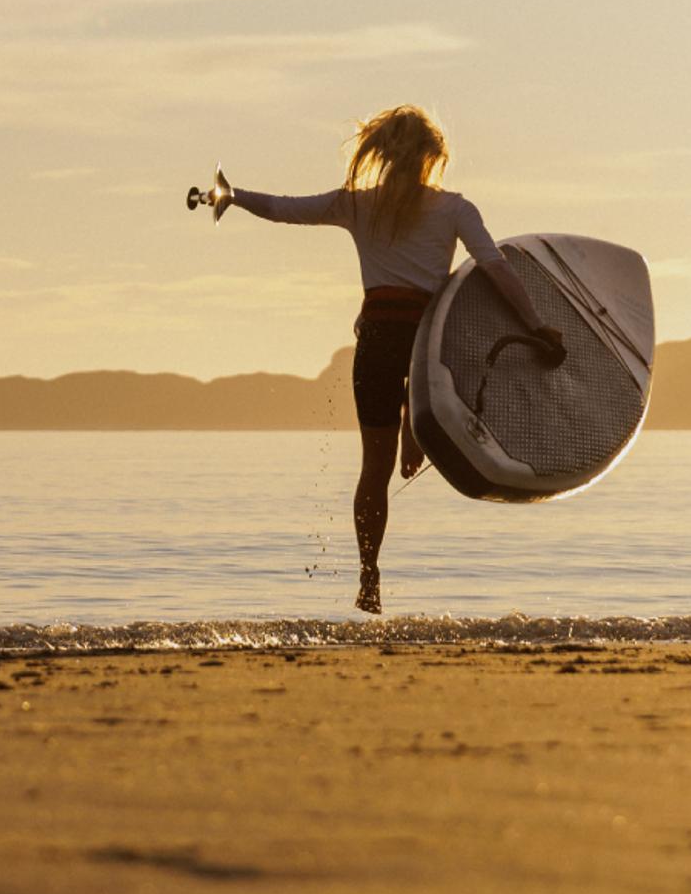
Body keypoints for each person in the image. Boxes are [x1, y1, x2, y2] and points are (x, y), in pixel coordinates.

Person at [229, 105, 562, 615]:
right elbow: (495, 270)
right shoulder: (454, 209)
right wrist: (535, 325)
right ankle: (417, 430)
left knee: (374, 469)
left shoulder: (360, 206)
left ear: (384, 153)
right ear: (432, 157)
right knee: (409, 440)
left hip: (379, 339)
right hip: (429, 343)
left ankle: (368, 573)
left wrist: (231, 196)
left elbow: (282, 207)